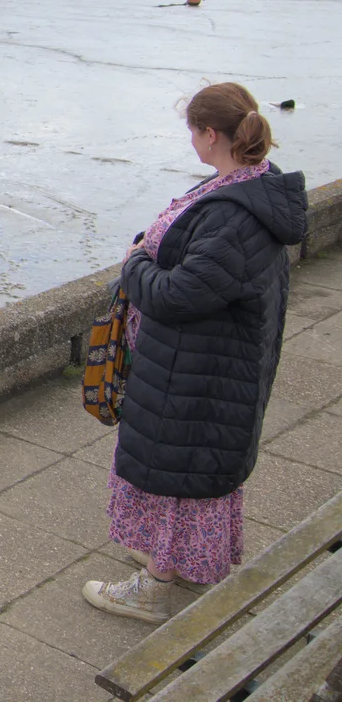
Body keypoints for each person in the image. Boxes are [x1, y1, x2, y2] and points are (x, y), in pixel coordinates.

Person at [83, 82, 307, 623]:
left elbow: (176, 294)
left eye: (192, 130)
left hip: (198, 371)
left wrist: (134, 262)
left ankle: (155, 588)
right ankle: (173, 557)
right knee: (187, 471)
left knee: (179, 470)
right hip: (206, 363)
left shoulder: (235, 217)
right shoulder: (251, 186)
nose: (191, 140)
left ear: (210, 134)